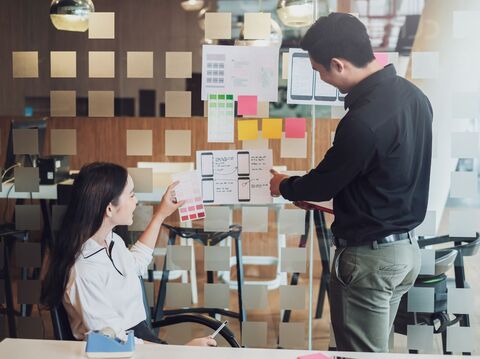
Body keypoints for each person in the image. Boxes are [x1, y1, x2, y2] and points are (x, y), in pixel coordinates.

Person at [270, 13, 432, 352]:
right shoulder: (415, 98)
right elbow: (384, 176)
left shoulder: (363, 121)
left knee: (357, 354)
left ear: (338, 64)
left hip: (370, 261)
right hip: (405, 253)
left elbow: (324, 183)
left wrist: (284, 185)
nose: (322, 79)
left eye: (319, 71)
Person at [41, 162, 216, 347]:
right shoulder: (84, 272)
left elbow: (136, 264)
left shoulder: (111, 240)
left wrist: (161, 214)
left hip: (142, 342)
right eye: (131, 194)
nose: (136, 200)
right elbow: (114, 342)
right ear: (109, 208)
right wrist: (181, 351)